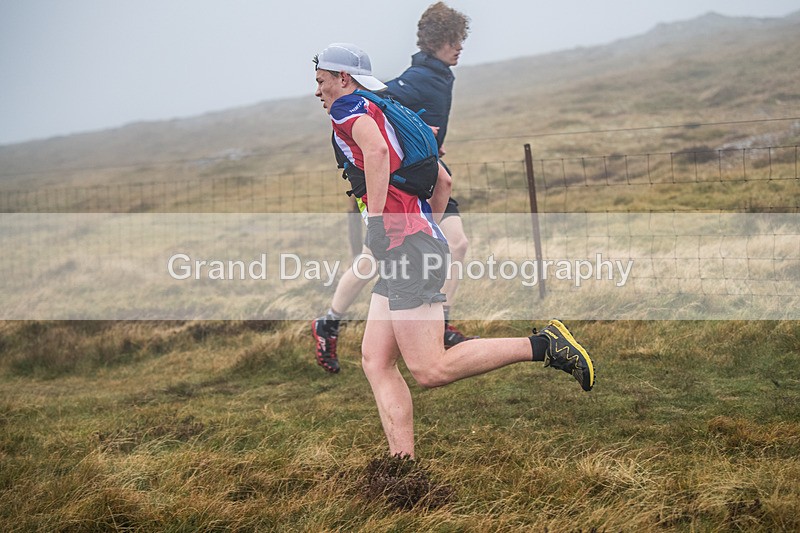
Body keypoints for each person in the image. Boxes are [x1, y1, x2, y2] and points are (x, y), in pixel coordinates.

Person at [313, 42, 595, 459]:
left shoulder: (347, 109)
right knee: (375, 359)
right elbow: (443, 182)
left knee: (431, 368)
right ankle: (401, 466)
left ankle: (545, 345)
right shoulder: (387, 109)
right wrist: (429, 231)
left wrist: (380, 223)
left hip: (405, 247)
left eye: (321, 81)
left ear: (343, 78)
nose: (317, 91)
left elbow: (373, 153)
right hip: (412, 244)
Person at [312, 2, 473, 374]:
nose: (459, 46)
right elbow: (378, 110)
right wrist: (413, 139)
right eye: (453, 40)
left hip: (424, 179)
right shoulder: (420, 78)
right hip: (400, 186)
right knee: (374, 260)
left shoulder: (440, 75)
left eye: (460, 39)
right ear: (435, 41)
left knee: (454, 244)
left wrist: (427, 143)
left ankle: (439, 322)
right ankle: (331, 321)